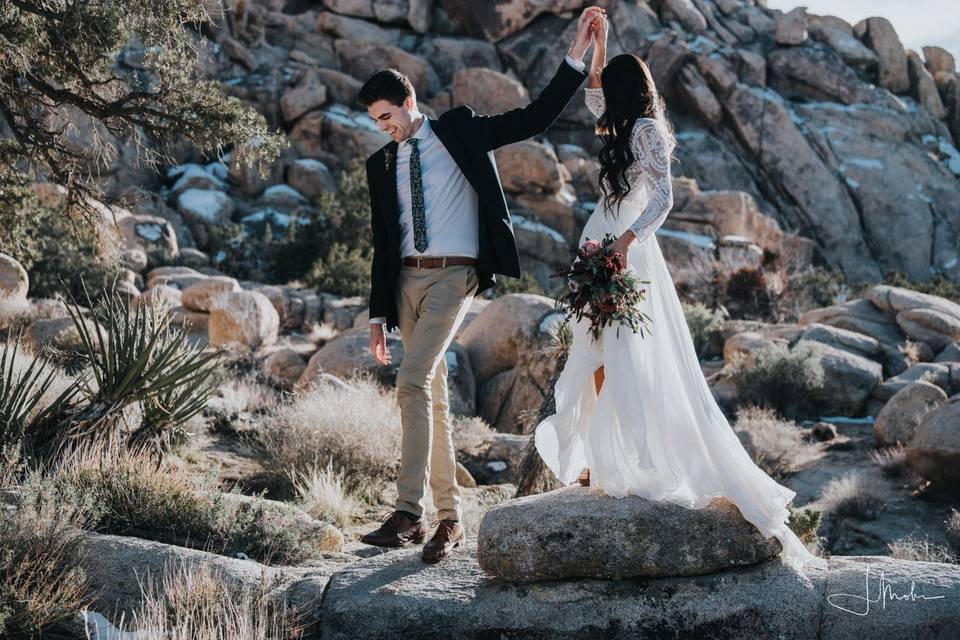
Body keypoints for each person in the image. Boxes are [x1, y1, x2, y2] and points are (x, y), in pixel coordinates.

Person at [533, 12, 822, 574]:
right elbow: (594, 95)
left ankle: (639, 457)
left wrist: (623, 242)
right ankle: (600, 456)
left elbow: (662, 199)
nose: (602, 99)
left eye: (609, 88)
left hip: (627, 248)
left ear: (628, 93)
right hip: (602, 241)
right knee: (593, 349)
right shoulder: (618, 120)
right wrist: (600, 48)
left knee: (627, 352)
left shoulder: (644, 131)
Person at [359, 7, 605, 563]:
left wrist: (576, 53)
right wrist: (377, 314)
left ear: (409, 102)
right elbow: (382, 241)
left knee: (411, 380)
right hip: (406, 283)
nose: (384, 127)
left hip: (455, 275)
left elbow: (535, 118)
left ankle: (406, 512)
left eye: (387, 115)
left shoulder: (460, 131)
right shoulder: (381, 165)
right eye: (376, 121)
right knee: (433, 399)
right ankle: (450, 521)